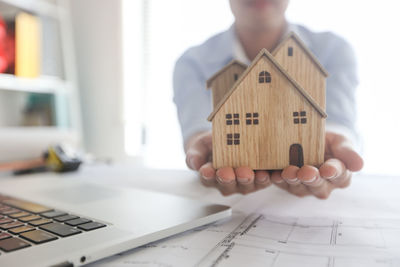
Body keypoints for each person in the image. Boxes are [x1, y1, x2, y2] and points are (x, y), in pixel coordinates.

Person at [173, 0, 363, 199]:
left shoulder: (335, 49)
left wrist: (335, 141)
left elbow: (339, 120)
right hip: (220, 202)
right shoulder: (191, 63)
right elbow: (197, 130)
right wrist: (202, 147)